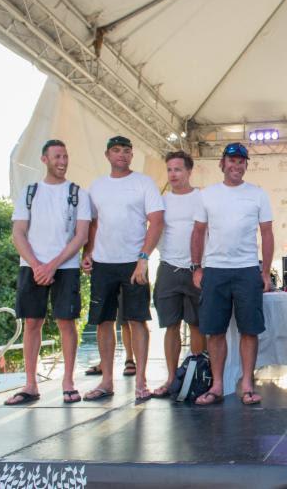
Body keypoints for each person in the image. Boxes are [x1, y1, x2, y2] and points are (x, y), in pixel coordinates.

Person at [5, 140, 91, 405]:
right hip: (31, 266)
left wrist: (52, 265)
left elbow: (81, 236)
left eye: (65, 156)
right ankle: (30, 384)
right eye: (57, 156)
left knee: (67, 322)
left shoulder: (78, 193)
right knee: (32, 322)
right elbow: (18, 233)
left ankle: (68, 382)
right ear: (44, 159)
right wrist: (36, 265)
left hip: (64, 266)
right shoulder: (29, 192)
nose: (62, 161)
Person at [82, 135, 164, 402]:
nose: (122, 155)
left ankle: (141, 381)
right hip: (103, 263)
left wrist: (143, 257)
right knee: (103, 321)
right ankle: (107, 381)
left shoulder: (144, 183)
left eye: (127, 151)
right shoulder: (97, 186)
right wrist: (88, 252)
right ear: (107, 155)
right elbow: (92, 224)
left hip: (133, 262)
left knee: (137, 319)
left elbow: (157, 222)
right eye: (117, 150)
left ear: (132, 155)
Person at [191, 142, 274, 405]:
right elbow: (198, 232)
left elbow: (267, 233)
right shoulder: (207, 194)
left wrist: (265, 272)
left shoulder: (258, 194)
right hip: (215, 271)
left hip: (247, 270)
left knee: (250, 331)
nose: (236, 165)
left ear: (246, 165)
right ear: (222, 164)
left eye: (241, 161)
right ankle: (216, 386)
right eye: (232, 160)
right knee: (215, 331)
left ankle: (247, 385)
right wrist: (196, 267)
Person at [152, 151, 206, 398]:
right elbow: (153, 233)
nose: (173, 174)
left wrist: (204, 266)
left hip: (197, 270)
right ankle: (172, 379)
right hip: (168, 268)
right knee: (170, 326)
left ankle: (196, 377)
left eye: (178, 169)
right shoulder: (160, 201)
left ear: (189, 172)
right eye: (170, 170)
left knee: (197, 325)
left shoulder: (202, 198)